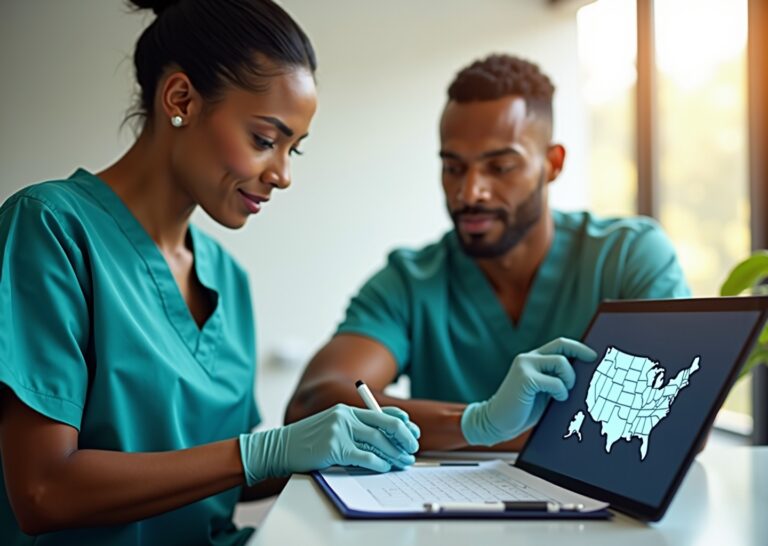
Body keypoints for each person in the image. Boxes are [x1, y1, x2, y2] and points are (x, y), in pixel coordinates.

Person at [0, 1, 422, 544]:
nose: (283, 175)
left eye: (294, 149)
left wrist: (333, 447)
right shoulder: (50, 230)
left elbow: (225, 477)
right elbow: (43, 492)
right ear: (181, 99)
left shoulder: (227, 277)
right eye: (266, 140)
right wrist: (268, 451)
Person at [285, 54, 690, 452]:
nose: (469, 192)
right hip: (435, 516)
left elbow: (681, 420)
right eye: (454, 168)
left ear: (552, 164)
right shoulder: (411, 281)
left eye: (500, 167)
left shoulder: (627, 258)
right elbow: (310, 407)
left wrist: (480, 434)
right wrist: (478, 422)